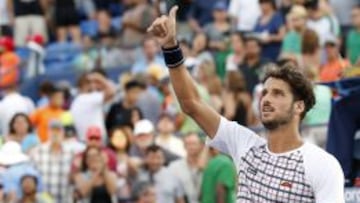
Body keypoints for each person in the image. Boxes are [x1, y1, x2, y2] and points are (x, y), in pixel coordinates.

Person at [147, 6, 344, 202]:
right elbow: (191, 103)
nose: (266, 98)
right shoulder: (245, 144)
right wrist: (171, 47)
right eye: (265, 92)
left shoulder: (322, 164)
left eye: (278, 93)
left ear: (298, 106)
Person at [30, 120, 76, 203]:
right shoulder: (37, 151)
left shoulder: (71, 152)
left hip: (64, 199)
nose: (55, 133)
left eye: (58, 130)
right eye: (52, 130)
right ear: (48, 132)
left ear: (62, 133)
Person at [70, 71, 115, 142]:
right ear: (85, 85)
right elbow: (111, 92)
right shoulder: (88, 98)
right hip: (95, 141)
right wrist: (100, 78)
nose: (94, 85)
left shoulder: (77, 101)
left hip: (85, 141)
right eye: (92, 83)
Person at [168, 133, 205, 203]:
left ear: (201, 145)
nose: (191, 147)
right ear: (184, 146)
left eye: (194, 144)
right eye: (188, 144)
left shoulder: (209, 166)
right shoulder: (173, 167)